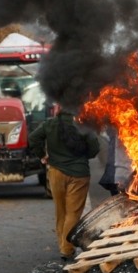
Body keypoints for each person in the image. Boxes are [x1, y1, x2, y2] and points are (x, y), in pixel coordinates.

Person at [29, 106, 100, 261]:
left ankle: (62, 245)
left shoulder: (50, 124)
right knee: (73, 213)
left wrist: (42, 155)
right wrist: (82, 158)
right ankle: (66, 249)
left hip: (56, 173)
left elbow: (33, 138)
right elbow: (94, 148)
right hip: (79, 174)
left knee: (60, 211)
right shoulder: (83, 124)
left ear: (58, 109)